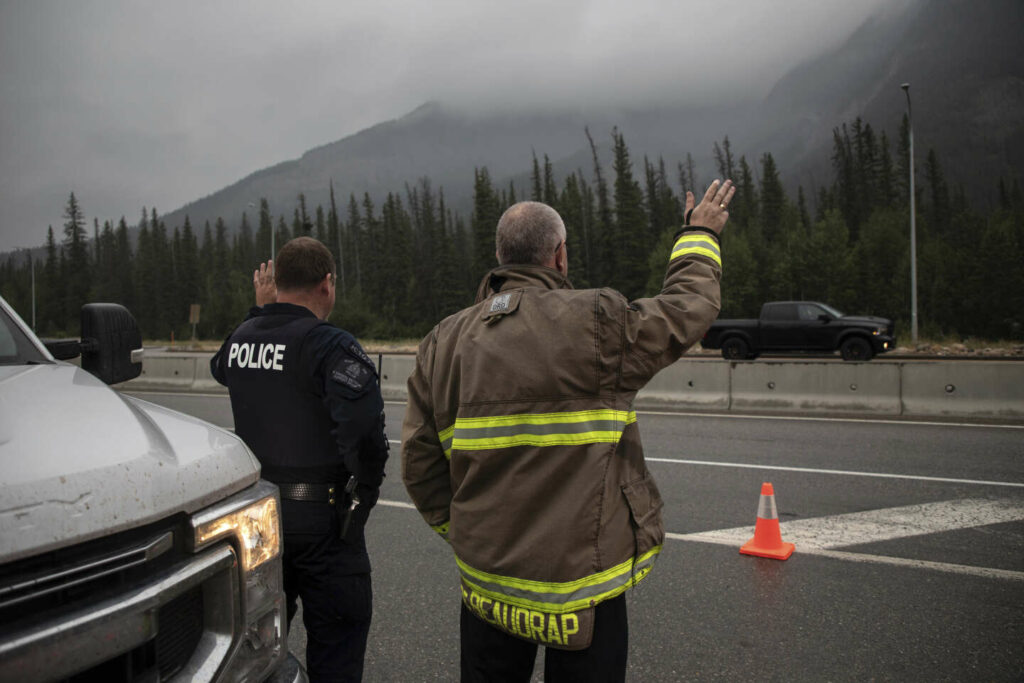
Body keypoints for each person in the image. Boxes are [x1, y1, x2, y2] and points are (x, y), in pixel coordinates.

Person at [401, 179, 734, 682]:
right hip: (587, 588)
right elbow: (688, 308)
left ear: (499, 256)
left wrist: (466, 535)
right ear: (559, 256)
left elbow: (420, 465)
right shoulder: (597, 320)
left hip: (488, 588)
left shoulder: (442, 342)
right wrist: (699, 235)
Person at [211, 236, 389, 682]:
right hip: (325, 523)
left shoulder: (240, 339)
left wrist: (260, 312)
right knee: (337, 648)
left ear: (276, 286)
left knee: (257, 656)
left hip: (260, 522)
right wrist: (363, 496)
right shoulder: (330, 345)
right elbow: (365, 434)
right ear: (327, 284)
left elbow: (221, 366)